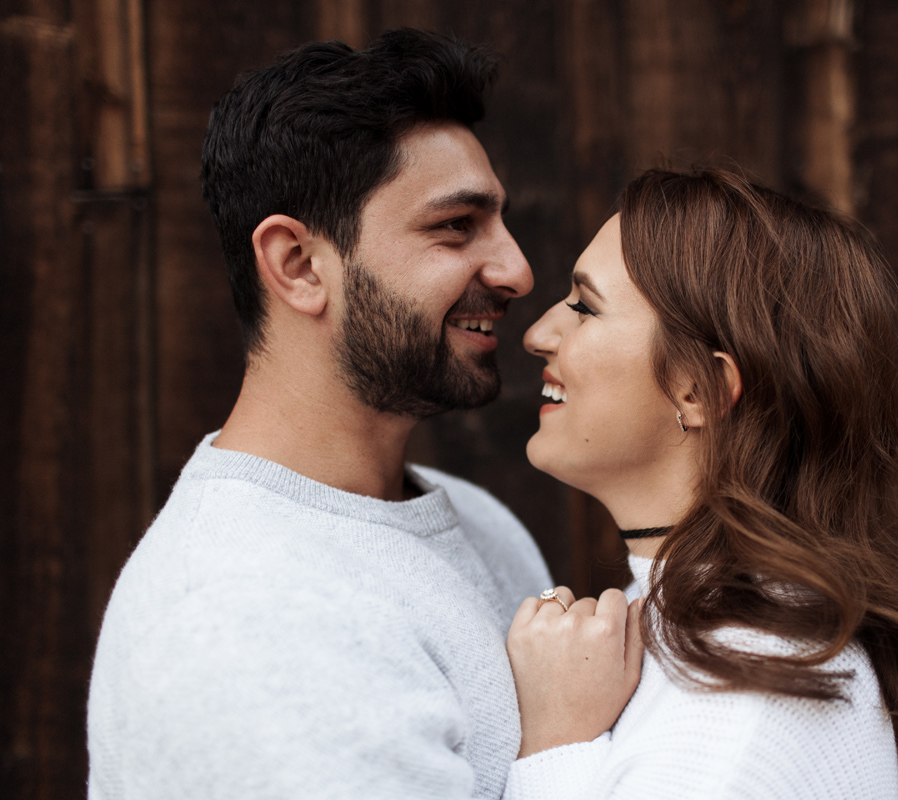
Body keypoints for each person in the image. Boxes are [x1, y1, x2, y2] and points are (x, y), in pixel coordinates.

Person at [86, 30, 623, 799]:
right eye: (454, 226)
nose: (516, 271)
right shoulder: (241, 616)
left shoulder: (479, 524)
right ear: (300, 266)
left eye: (498, 222)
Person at [504, 169, 898, 799]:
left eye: (584, 307)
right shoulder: (733, 639)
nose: (538, 333)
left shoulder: (743, 707)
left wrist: (556, 747)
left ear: (698, 390)